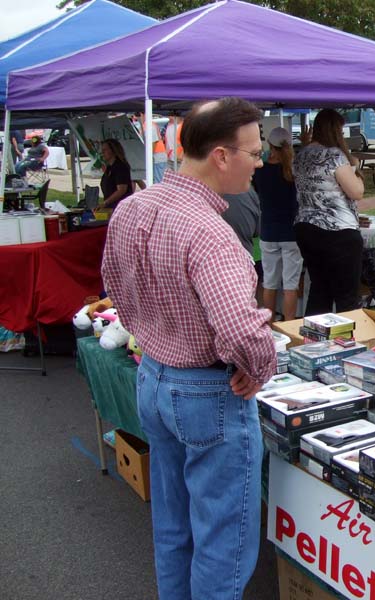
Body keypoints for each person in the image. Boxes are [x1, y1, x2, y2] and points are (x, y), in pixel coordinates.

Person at [101, 97, 276, 600]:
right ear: (221, 156)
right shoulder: (209, 232)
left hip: (155, 377)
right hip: (204, 391)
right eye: (254, 152)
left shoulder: (133, 207)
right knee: (223, 541)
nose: (259, 162)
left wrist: (153, 337)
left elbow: (116, 286)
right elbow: (241, 332)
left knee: (174, 526)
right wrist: (259, 367)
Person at [293, 109, 364, 315]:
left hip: (306, 227)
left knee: (320, 289)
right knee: (347, 296)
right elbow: (356, 191)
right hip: (338, 231)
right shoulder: (334, 156)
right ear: (336, 131)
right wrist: (356, 170)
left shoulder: (302, 155)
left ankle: (314, 341)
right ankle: (350, 342)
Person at [253, 126, 302, 322]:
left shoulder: (261, 171)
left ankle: (270, 327)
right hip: (291, 233)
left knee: (270, 282)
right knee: (291, 285)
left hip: (268, 232)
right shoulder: (294, 171)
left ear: (270, 145)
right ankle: (289, 326)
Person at [221, 185, 260, 255]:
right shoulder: (248, 190)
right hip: (248, 256)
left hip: (220, 257)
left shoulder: (205, 194)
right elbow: (258, 230)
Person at [98, 139, 134, 209]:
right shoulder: (109, 167)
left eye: (105, 150)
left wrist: (105, 203)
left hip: (121, 207)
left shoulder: (120, 166)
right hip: (111, 207)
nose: (102, 152)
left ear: (113, 150)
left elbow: (121, 190)